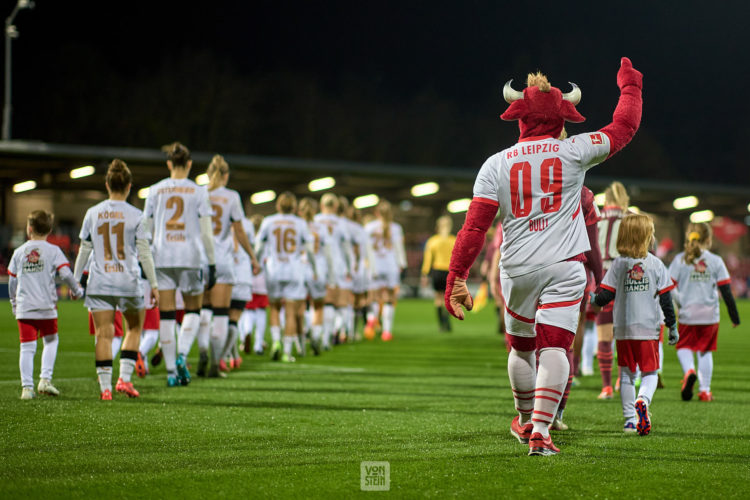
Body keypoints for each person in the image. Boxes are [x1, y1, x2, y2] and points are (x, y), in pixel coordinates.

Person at [444, 58, 643, 456]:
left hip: (516, 269)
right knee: (555, 347)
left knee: (521, 348)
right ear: (564, 113)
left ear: (518, 114)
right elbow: (624, 128)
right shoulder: (574, 150)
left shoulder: (494, 165)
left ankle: (524, 420)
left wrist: (457, 277)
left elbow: (474, 228)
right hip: (565, 265)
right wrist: (631, 88)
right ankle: (541, 430)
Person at [73, 159, 159, 399]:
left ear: (107, 184)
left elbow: (84, 249)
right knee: (134, 327)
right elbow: (144, 253)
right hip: (127, 281)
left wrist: (75, 279)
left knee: (104, 333)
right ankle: (125, 379)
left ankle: (105, 389)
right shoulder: (137, 216)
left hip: (99, 281)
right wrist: (153, 284)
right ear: (129, 186)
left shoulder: (93, 213)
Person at [590, 213, 678, 435]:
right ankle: (643, 400)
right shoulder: (656, 265)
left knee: (627, 374)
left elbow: (604, 297)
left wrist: (592, 298)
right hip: (648, 329)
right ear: (648, 236)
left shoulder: (618, 265)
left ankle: (630, 420)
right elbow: (667, 301)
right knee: (650, 373)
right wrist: (673, 327)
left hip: (623, 330)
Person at [142, 142, 216, 387]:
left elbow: (146, 230)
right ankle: (183, 353)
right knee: (194, 309)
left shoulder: (154, 190)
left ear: (169, 164)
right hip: (190, 256)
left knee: (166, 314)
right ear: (190, 164)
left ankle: (172, 372)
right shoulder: (199, 191)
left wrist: (145, 262)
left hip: (161, 257)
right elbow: (206, 233)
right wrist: (212, 262)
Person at [9, 210, 83, 399]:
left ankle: (27, 388)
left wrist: (14, 303)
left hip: (25, 307)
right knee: (51, 340)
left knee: (27, 347)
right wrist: (76, 290)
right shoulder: (53, 251)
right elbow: (66, 274)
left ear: (29, 228)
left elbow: (12, 281)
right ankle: (45, 380)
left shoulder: (19, 252)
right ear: (50, 230)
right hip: (46, 307)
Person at [198, 155, 259, 377]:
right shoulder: (232, 196)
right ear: (226, 175)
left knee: (203, 313)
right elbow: (239, 231)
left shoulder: (199, 193)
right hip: (222, 259)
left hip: (200, 259)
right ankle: (215, 363)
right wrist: (252, 256)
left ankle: (202, 350)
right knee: (222, 314)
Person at [669, 222, 740, 401]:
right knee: (705, 351)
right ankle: (705, 391)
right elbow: (726, 291)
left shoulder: (679, 259)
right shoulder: (716, 261)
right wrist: (734, 317)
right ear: (708, 240)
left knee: (684, 346)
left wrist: (679, 304)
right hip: (710, 315)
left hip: (688, 313)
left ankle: (689, 371)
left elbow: (669, 286)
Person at [255, 192, 315, 362]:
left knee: (274, 308)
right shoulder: (300, 223)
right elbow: (309, 250)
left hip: (273, 269)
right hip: (294, 270)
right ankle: (287, 352)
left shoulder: (268, 221)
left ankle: (275, 342)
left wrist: (257, 263)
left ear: (278, 206)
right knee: (290, 312)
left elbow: (259, 246)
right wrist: (314, 267)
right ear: (294, 208)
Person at [595, 181, 630, 399]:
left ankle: (606, 386)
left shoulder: (596, 219)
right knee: (624, 335)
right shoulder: (631, 219)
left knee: (604, 335)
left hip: (603, 279)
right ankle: (622, 380)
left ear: (606, 200)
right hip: (626, 278)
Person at [365, 200, 407, 341]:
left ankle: (372, 318)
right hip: (390, 266)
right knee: (389, 299)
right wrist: (402, 264)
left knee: (375, 298)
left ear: (376, 213)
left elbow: (366, 249)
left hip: (375, 266)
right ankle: (386, 332)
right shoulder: (396, 228)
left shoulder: (369, 227)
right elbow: (399, 249)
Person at [314, 194, 352, 348]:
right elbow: (347, 248)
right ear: (336, 207)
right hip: (337, 265)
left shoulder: (315, 220)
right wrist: (350, 267)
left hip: (316, 265)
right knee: (338, 303)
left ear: (321, 205)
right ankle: (328, 337)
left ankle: (314, 333)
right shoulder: (342, 223)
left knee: (317, 304)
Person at [298, 197, 334, 354]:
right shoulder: (321, 227)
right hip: (317, 269)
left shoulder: (296, 224)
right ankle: (315, 334)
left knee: (297, 308)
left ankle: (300, 345)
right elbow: (327, 253)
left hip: (298, 268)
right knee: (318, 306)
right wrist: (331, 274)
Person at [421, 215, 456, 332]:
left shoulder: (433, 241)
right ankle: (447, 321)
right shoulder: (454, 240)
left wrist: (424, 274)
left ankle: (441, 324)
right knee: (449, 298)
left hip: (437, 272)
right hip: (450, 272)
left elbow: (428, 259)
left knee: (438, 298)